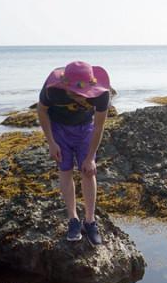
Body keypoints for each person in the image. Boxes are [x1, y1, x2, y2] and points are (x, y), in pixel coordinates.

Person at [37, 61, 112, 245]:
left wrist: (90, 157)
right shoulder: (52, 90)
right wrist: (51, 142)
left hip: (85, 129)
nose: (81, 98)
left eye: (84, 94)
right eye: (76, 94)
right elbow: (41, 111)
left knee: (88, 171)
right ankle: (73, 219)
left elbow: (99, 126)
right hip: (59, 130)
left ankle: (90, 220)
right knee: (65, 170)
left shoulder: (101, 95)